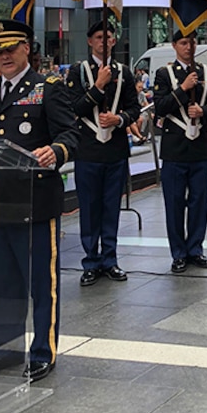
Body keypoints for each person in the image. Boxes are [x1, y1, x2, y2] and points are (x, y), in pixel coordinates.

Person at [0, 19, 79, 382]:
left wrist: (56, 150)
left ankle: (42, 352)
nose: (4, 56)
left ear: (27, 48)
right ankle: (6, 348)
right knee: (1, 284)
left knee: (40, 285)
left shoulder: (48, 87)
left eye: (10, 49)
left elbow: (71, 132)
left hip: (35, 203)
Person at [65, 19, 140, 287]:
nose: (103, 41)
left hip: (115, 150)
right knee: (89, 208)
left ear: (114, 41)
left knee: (111, 207)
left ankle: (110, 259)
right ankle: (91, 261)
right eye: (98, 37)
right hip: (88, 150)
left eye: (108, 37)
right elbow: (74, 109)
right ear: (89, 42)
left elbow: (134, 108)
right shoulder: (78, 72)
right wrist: (98, 87)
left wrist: (119, 119)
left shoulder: (125, 72)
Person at [154, 29, 207, 274]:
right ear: (174, 45)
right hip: (174, 148)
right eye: (184, 42)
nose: (189, 47)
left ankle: (195, 248)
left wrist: (204, 111)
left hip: (200, 147)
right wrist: (183, 88)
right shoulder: (164, 74)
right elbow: (161, 107)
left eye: (192, 42)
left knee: (199, 201)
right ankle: (178, 253)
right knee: (174, 202)